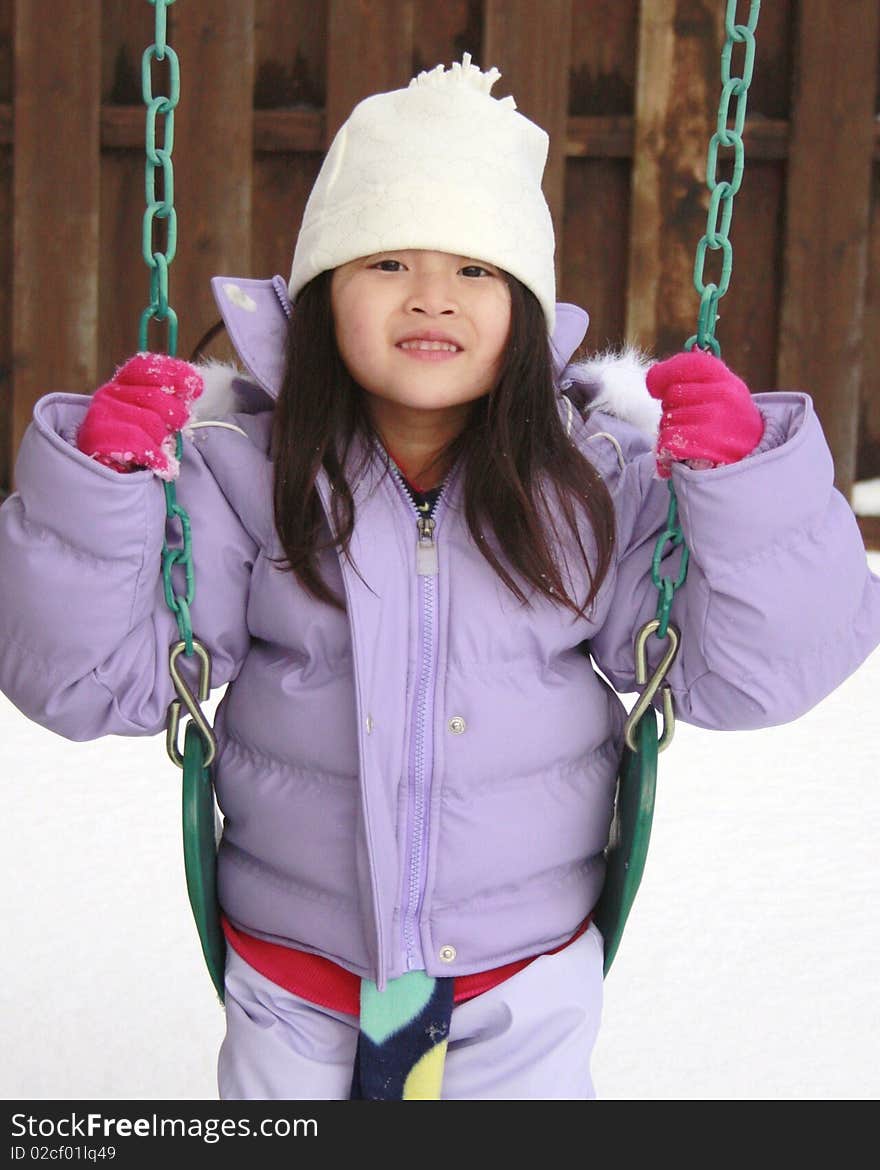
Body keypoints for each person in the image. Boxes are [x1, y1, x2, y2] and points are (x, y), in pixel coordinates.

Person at [1, 53, 878, 1102]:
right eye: (385, 264)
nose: (431, 297)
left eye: (474, 269)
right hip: (296, 977)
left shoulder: (589, 479)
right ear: (324, 295)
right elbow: (93, 683)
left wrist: (747, 492)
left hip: (521, 981)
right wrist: (97, 495)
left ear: (524, 306)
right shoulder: (247, 474)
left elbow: (759, 676)